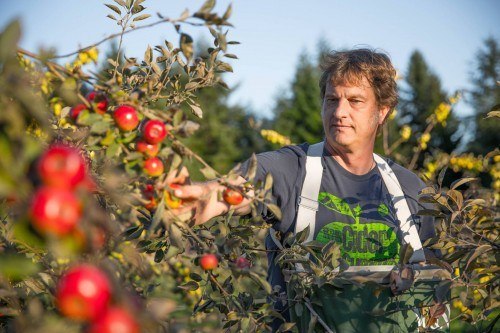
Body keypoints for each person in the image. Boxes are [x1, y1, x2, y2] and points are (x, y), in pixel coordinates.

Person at [168, 48, 442, 332]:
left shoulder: (410, 190)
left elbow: (436, 282)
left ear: (382, 111)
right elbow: (241, 185)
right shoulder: (293, 170)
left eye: (355, 101)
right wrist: (203, 196)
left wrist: (416, 278)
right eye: (332, 99)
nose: (339, 112)